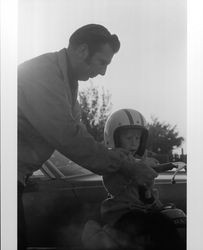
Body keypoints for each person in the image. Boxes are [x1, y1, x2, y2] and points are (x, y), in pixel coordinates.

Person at [18, 24, 157, 250]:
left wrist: (116, 156)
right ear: (83, 51)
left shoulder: (66, 84)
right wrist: (127, 166)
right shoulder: (42, 74)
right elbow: (67, 136)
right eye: (102, 62)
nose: (102, 72)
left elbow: (79, 134)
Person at [82, 108, 185, 250]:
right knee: (160, 226)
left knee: (172, 219)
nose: (134, 143)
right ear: (114, 138)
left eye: (138, 138)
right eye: (129, 138)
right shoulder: (114, 162)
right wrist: (141, 166)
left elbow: (147, 193)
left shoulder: (140, 161)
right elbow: (118, 183)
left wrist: (159, 205)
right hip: (122, 214)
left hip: (142, 211)